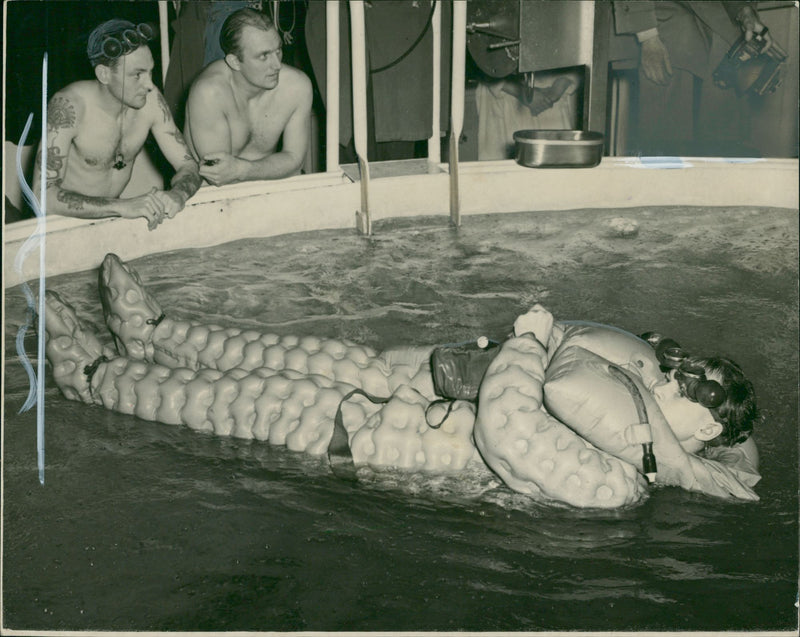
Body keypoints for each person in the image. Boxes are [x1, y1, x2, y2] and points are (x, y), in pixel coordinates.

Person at [42, 254, 760, 508]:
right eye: (673, 375)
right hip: (406, 391)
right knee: (277, 351)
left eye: (680, 390)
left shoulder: (612, 487)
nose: (659, 379)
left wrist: (536, 335)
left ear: (702, 431)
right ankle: (156, 334)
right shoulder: (633, 414)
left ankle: (90, 371)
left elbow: (508, 428)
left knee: (227, 397)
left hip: (365, 439)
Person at [32, 19, 201, 230]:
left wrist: (179, 194)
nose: (149, 85)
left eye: (150, 72)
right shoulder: (69, 106)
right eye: (137, 75)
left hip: (112, 218)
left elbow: (188, 165)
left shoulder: (151, 100)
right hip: (60, 225)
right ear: (104, 74)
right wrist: (122, 206)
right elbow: (42, 195)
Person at [611, 1, 773, 156]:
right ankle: (662, 158)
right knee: (680, 38)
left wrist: (744, 10)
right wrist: (647, 36)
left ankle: (720, 158)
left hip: (704, 14)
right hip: (651, 16)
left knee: (730, 42)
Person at [184, 8, 312, 186]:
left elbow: (295, 158)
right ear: (235, 62)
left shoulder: (297, 85)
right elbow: (220, 176)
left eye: (278, 51)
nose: (277, 65)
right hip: (214, 197)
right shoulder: (210, 92)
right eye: (264, 56)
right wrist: (243, 171)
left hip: (267, 188)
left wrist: (241, 170)